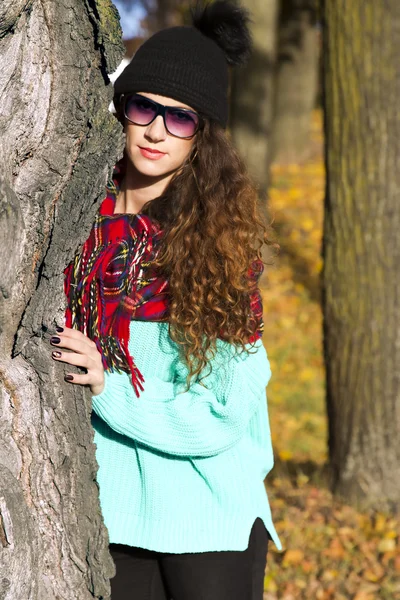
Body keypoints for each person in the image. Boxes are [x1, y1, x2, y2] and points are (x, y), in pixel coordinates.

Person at [50, 1, 282, 598]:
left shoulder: (220, 250)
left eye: (179, 118)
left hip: (208, 516)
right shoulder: (68, 219)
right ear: (121, 111)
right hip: (108, 515)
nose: (155, 130)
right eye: (143, 106)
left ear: (202, 136)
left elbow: (225, 412)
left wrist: (112, 390)